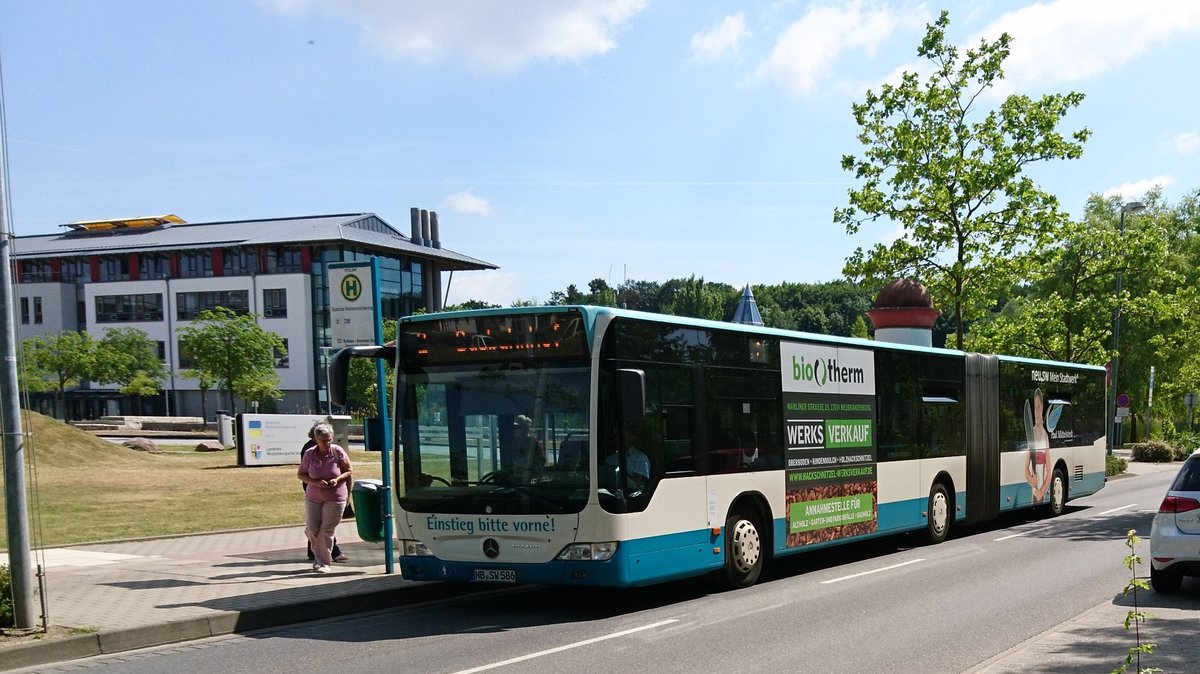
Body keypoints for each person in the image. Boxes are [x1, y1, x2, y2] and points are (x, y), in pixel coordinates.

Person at [298, 422, 352, 573]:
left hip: (336, 497)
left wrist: (337, 479)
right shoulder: (309, 453)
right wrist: (315, 482)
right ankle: (320, 558)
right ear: (316, 439)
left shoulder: (337, 451)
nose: (327, 443)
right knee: (312, 529)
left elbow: (349, 471)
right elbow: (301, 474)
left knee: (326, 530)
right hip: (313, 496)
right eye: (323, 440)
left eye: (329, 439)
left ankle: (323, 563)